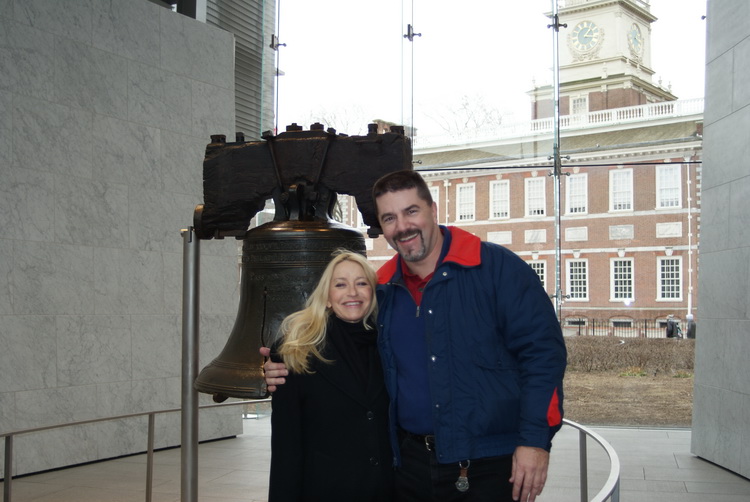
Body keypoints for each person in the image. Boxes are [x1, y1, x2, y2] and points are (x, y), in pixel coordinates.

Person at [263, 170, 567, 502]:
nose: (403, 226)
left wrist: (535, 440)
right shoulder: (384, 290)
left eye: (411, 211)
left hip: (488, 466)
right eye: (389, 218)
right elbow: (341, 337)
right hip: (409, 469)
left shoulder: (497, 269)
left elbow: (543, 355)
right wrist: (282, 362)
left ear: (433, 210)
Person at [268, 250, 393, 502]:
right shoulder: (294, 352)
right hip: (325, 490)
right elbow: (286, 446)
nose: (352, 293)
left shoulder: (389, 345)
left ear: (373, 293)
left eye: (361, 283)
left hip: (387, 490)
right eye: (340, 285)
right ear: (326, 297)